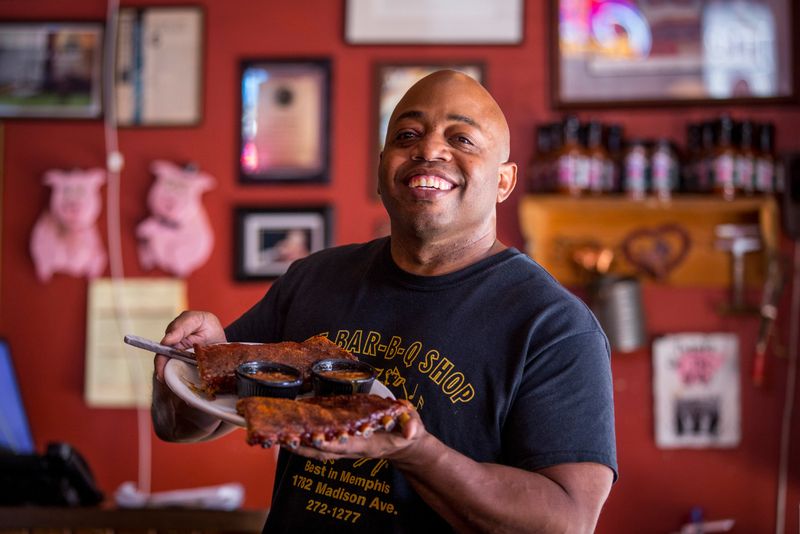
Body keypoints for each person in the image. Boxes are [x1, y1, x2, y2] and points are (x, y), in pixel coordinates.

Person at [151, 70, 617, 533]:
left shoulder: (553, 325)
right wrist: (193, 362)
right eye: (407, 135)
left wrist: (417, 453)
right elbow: (179, 426)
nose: (429, 150)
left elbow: (568, 521)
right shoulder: (315, 279)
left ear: (504, 181)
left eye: (462, 139)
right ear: (381, 168)